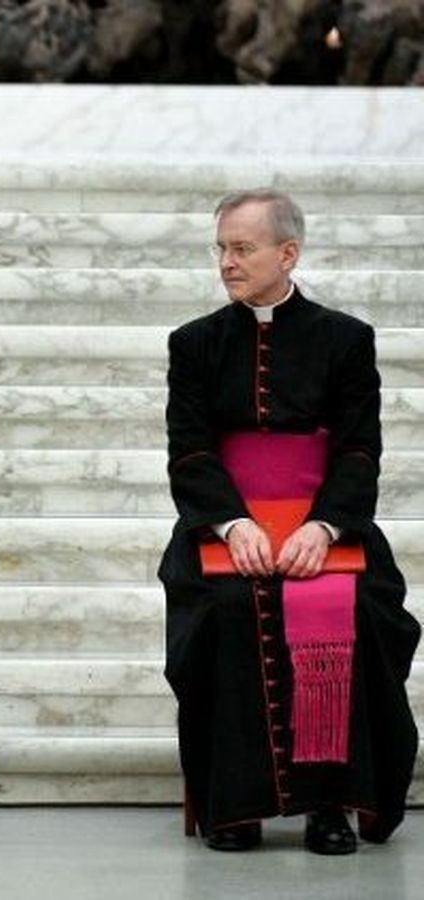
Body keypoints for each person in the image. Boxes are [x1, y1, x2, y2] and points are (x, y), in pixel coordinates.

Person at [161, 189, 418, 854]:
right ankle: (233, 805)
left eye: (241, 248)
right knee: (220, 609)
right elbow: (189, 450)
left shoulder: (346, 339)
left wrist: (325, 528)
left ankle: (328, 806)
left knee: (355, 606)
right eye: (221, 248)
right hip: (227, 527)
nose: (227, 262)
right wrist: (230, 524)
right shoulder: (193, 344)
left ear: (288, 252)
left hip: (323, 524)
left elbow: (361, 448)